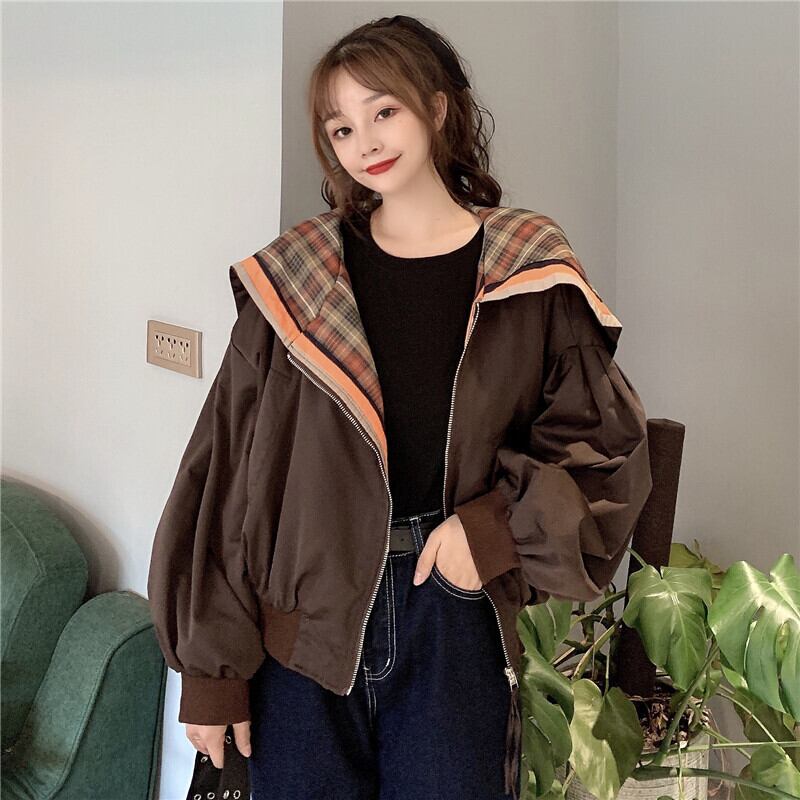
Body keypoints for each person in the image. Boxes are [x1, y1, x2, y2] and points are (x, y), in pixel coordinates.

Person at [146, 14, 653, 800]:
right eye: (342, 127)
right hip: (303, 628)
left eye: (384, 111)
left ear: (438, 108)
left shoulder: (529, 269)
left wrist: (490, 530)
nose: (366, 142)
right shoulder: (299, 280)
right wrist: (212, 675)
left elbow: (603, 450)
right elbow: (227, 476)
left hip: (453, 615)